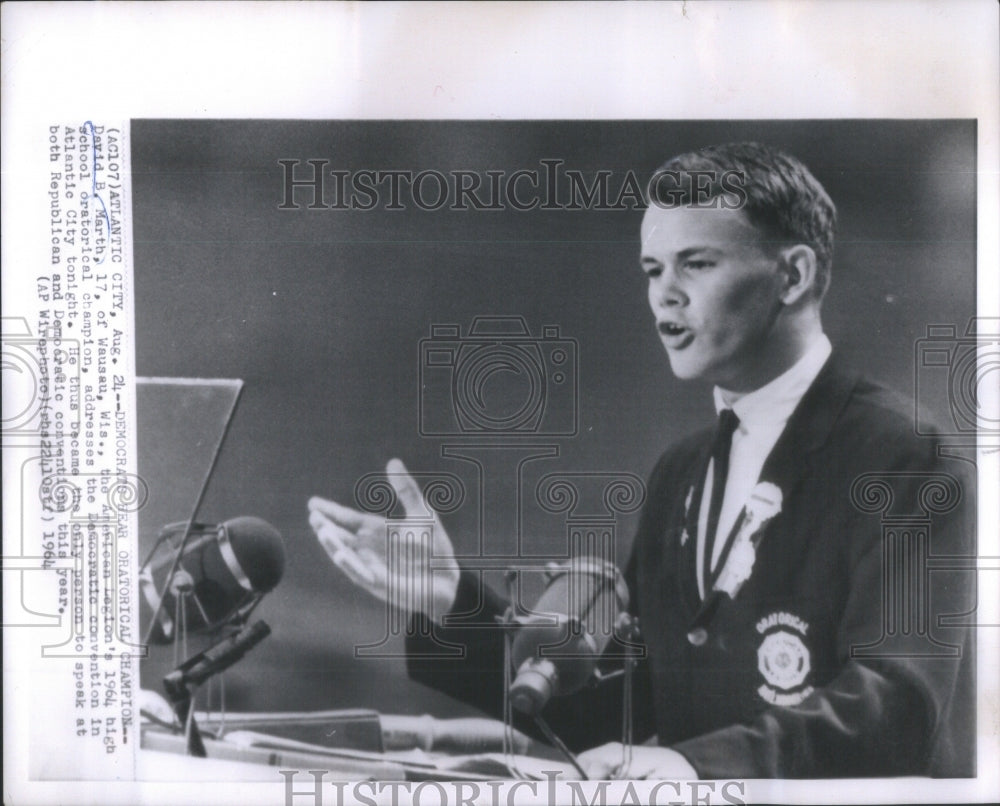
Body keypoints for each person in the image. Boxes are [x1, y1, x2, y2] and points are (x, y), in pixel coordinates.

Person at [308, 142, 975, 778]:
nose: (664, 294)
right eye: (653, 270)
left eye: (698, 264)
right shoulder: (681, 473)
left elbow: (898, 707)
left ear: (793, 275)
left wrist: (694, 766)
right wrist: (453, 604)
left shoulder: (907, 459)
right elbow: (616, 711)